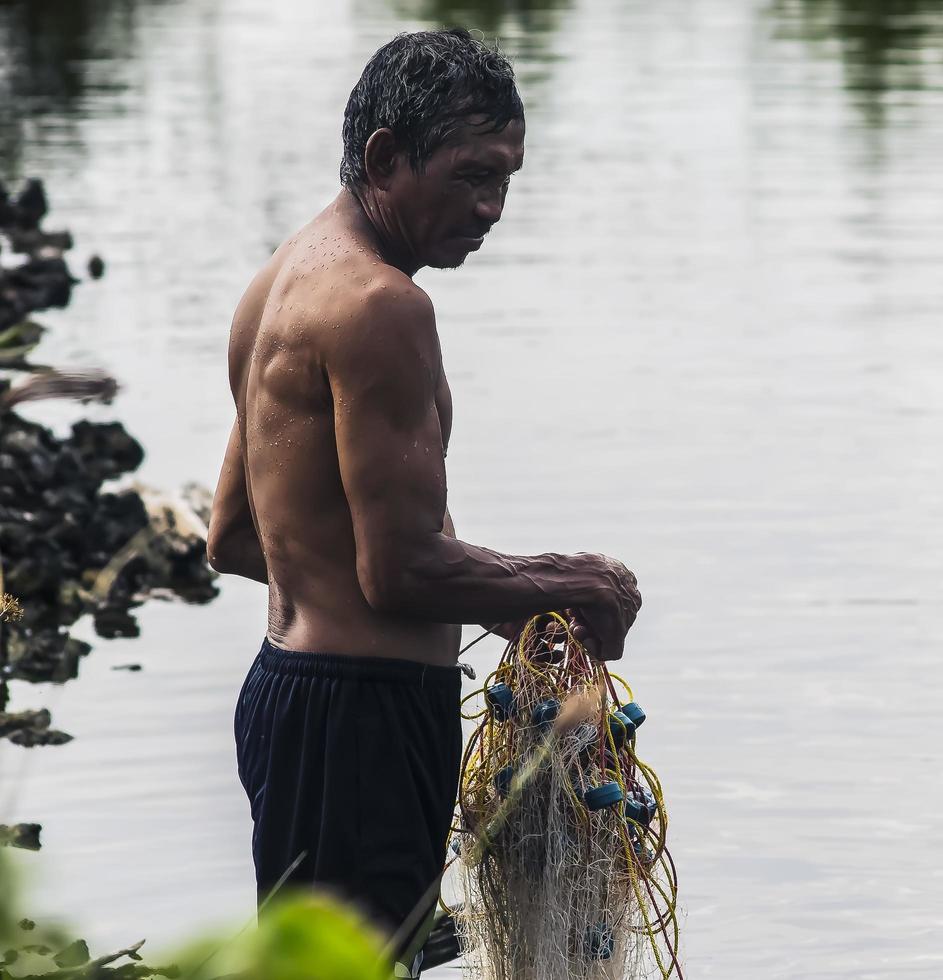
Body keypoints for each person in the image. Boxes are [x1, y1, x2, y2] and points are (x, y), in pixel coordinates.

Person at [203, 29, 641, 974]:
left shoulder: (278, 281)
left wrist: (472, 594)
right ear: (385, 157)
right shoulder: (382, 306)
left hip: (290, 702)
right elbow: (396, 569)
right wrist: (570, 582)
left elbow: (235, 537)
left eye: (508, 179)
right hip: (360, 721)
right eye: (471, 175)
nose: (491, 208)